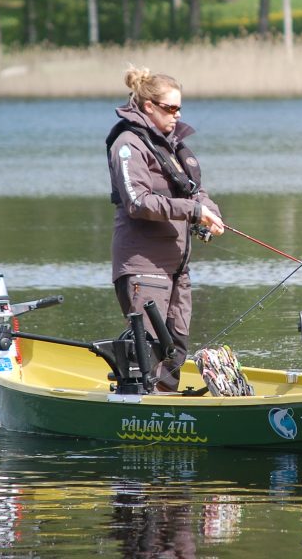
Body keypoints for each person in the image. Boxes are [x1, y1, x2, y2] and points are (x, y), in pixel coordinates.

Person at [106, 65, 224, 392]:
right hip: (143, 265)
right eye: (170, 108)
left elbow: (194, 190)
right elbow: (138, 202)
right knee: (150, 349)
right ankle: (142, 404)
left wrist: (209, 213)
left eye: (180, 108)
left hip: (177, 267)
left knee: (177, 348)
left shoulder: (171, 144)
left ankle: (167, 403)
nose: (177, 115)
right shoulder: (128, 144)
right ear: (149, 107)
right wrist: (193, 210)